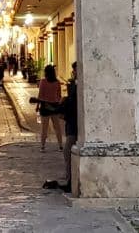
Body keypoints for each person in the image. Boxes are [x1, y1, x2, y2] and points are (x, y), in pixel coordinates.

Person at [35, 64, 63, 152]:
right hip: (54, 106)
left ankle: (42, 146)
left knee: (44, 128)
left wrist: (37, 106)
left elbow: (40, 95)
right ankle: (60, 146)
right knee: (57, 127)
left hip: (45, 106)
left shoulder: (43, 81)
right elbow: (59, 95)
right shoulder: (57, 82)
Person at [59, 62, 78, 191]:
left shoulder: (76, 86)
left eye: (76, 70)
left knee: (68, 150)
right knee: (67, 151)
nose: (74, 72)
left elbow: (73, 102)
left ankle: (71, 178)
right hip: (72, 122)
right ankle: (69, 177)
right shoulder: (73, 85)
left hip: (74, 123)